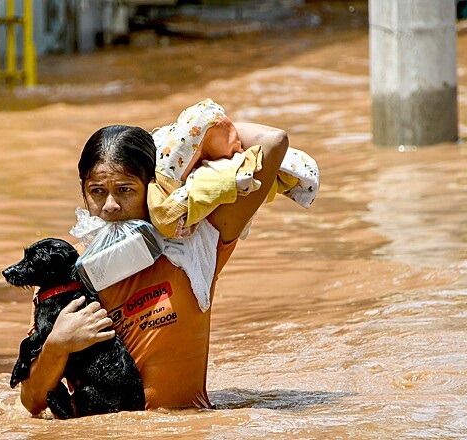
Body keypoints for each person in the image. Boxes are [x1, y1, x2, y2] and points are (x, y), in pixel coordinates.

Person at [19, 110, 290, 415]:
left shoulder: (195, 243)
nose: (110, 206)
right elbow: (32, 402)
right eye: (97, 191)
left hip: (183, 430)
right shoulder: (64, 276)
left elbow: (272, 142)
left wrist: (177, 145)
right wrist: (58, 345)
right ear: (83, 192)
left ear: (151, 187)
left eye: (126, 190)